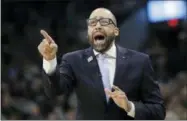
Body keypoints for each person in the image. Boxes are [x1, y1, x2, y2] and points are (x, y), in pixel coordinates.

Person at [38, 8, 166, 120]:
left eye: (104, 22)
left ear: (116, 31)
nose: (97, 26)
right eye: (92, 23)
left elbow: (158, 111)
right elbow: (54, 92)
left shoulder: (140, 62)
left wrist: (129, 106)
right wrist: (49, 60)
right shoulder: (73, 60)